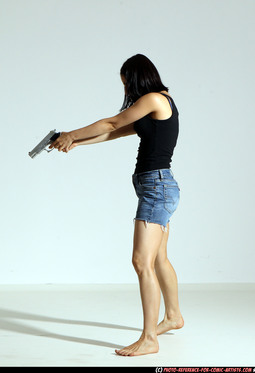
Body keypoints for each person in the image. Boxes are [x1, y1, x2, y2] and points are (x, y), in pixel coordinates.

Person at [50, 54, 184, 356]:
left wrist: (71, 132)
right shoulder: (157, 105)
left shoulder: (153, 99)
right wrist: (74, 142)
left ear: (136, 79)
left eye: (126, 83)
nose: (125, 90)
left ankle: (150, 338)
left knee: (141, 261)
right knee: (159, 258)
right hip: (157, 186)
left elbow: (112, 120)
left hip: (156, 188)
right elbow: (114, 132)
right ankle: (174, 317)